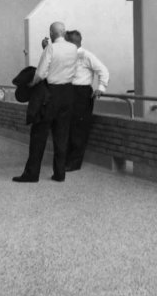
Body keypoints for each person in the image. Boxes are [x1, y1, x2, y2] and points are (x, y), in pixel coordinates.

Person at [12, 22, 77, 183]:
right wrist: (46, 49)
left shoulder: (51, 49)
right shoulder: (73, 48)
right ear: (64, 32)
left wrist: (31, 84)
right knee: (61, 135)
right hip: (68, 94)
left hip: (50, 95)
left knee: (39, 134)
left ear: (51, 33)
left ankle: (32, 174)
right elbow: (60, 64)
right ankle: (59, 173)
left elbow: (40, 73)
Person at [65, 30, 109, 171]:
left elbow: (103, 70)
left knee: (79, 128)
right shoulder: (66, 56)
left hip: (81, 94)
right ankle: (67, 159)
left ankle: (74, 163)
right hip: (68, 92)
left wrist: (101, 87)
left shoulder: (86, 56)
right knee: (68, 127)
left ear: (73, 42)